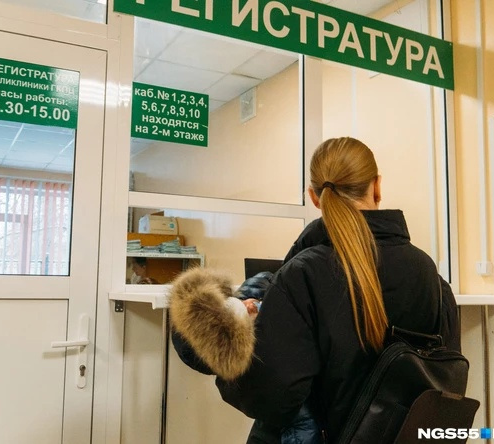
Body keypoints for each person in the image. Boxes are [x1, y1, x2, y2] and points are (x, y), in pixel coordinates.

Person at [179, 137, 461, 444]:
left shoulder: (303, 273)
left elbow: (273, 397)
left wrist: (242, 339)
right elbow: (444, 373)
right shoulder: (428, 272)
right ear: (377, 186)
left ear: (314, 197)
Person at [169, 268, 322, 444]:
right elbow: (302, 427)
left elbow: (265, 280)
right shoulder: (271, 379)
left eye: (240, 302)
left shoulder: (260, 295)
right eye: (246, 314)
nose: (251, 305)